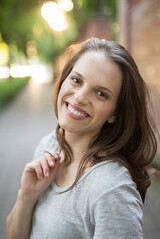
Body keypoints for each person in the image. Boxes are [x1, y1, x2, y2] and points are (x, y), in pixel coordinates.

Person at [6, 38, 159, 239]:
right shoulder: (50, 144)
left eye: (101, 93)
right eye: (77, 80)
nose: (79, 97)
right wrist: (26, 196)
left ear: (115, 113)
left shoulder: (111, 190)